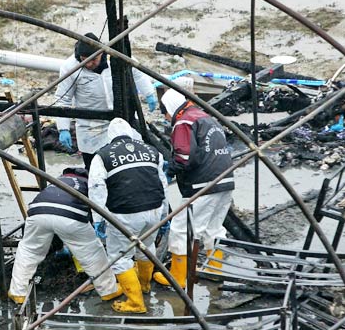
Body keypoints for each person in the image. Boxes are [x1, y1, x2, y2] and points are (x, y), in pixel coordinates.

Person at [153, 89, 234, 288]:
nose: (165, 118)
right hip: (225, 181)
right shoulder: (206, 118)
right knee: (213, 228)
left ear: (170, 109)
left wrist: (169, 170)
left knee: (181, 229)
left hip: (202, 185)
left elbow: (184, 157)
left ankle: (178, 279)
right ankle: (215, 269)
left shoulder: (183, 122)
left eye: (165, 113)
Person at [8, 167, 123, 304]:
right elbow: (99, 209)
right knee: (92, 252)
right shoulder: (91, 183)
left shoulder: (57, 181)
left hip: (37, 213)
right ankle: (109, 290)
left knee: (29, 251)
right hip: (70, 216)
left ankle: (17, 293)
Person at [89, 118, 168, 313]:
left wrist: (98, 220)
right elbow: (162, 183)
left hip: (125, 213)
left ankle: (135, 303)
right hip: (154, 209)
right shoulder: (151, 151)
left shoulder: (103, 156)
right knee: (146, 246)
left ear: (110, 137)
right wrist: (165, 213)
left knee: (120, 257)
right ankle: (144, 286)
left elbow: (96, 188)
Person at [55, 32, 158, 170]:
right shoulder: (70, 67)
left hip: (120, 120)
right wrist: (63, 128)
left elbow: (138, 73)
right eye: (85, 59)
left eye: (94, 59)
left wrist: (149, 93)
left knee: (125, 161)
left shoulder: (115, 56)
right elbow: (63, 99)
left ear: (101, 53)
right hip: (90, 127)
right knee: (95, 168)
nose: (89, 64)